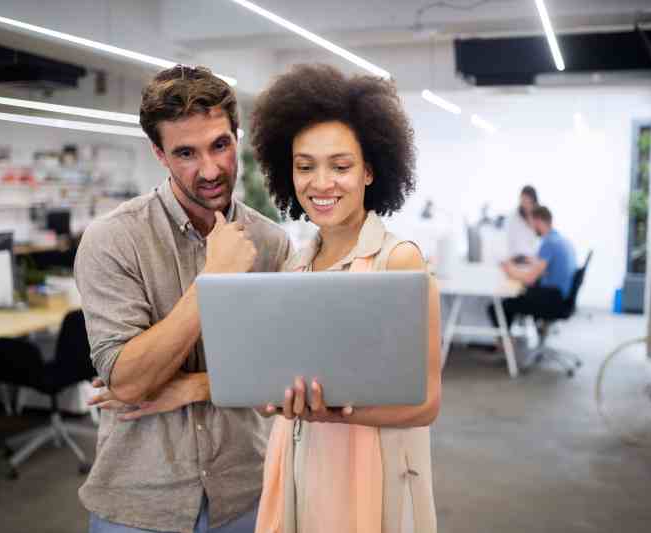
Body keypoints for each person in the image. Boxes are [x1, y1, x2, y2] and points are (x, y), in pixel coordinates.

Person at [76, 65, 291, 533]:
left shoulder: (272, 243)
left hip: (245, 495)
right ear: (159, 154)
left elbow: (283, 376)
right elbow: (130, 383)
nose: (210, 169)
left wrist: (194, 386)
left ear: (237, 136)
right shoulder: (113, 240)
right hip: (138, 505)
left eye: (220, 145)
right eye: (186, 153)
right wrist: (212, 280)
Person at [249, 64, 442, 533]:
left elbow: (426, 403)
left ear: (370, 170)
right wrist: (271, 396)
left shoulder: (398, 261)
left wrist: (331, 412)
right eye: (305, 166)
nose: (321, 183)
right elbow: (278, 381)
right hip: (297, 464)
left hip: (367, 473)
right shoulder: (295, 265)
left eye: (340, 166)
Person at [488, 205, 576, 338]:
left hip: (553, 299)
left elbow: (530, 279)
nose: (531, 228)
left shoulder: (549, 243)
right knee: (518, 294)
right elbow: (547, 269)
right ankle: (509, 344)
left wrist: (507, 269)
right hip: (561, 297)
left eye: (531, 224)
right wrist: (531, 261)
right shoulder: (560, 240)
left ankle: (506, 348)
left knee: (499, 306)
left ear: (539, 221)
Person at [505, 185, 540, 260]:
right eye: (523, 200)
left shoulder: (539, 218)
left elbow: (540, 240)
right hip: (518, 257)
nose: (525, 205)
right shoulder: (514, 217)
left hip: (534, 258)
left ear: (534, 201)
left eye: (528, 201)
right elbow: (511, 240)